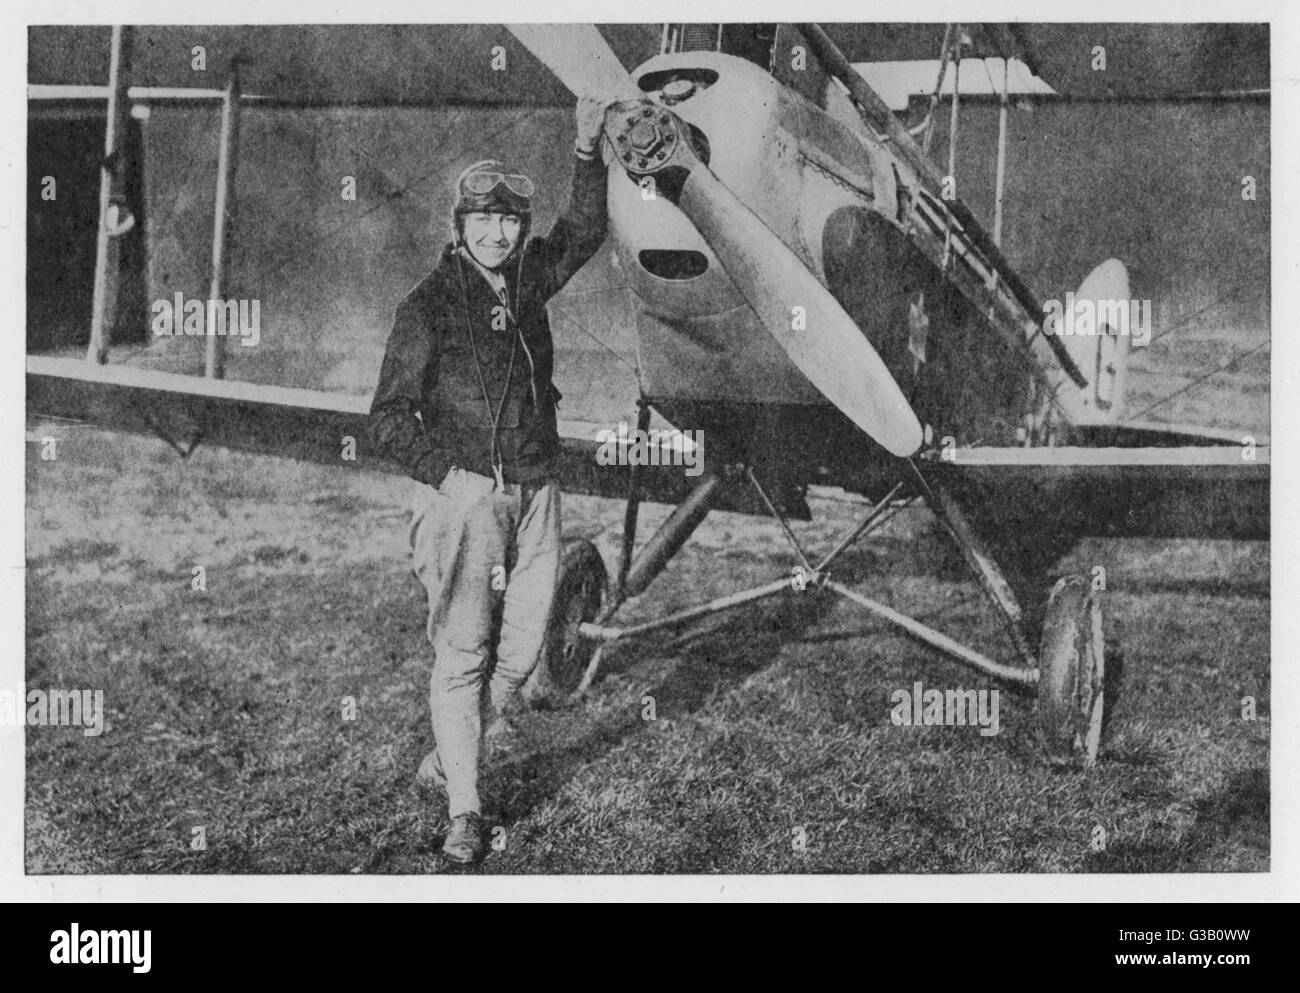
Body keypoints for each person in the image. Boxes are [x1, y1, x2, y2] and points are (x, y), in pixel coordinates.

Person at [368, 97, 609, 865]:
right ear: (459, 227)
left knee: (524, 649)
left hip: (537, 489)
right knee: (465, 652)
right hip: (467, 503)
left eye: (509, 221)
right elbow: (385, 419)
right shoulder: (428, 307)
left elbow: (584, 230)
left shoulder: (529, 282)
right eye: (483, 220)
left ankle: (449, 756)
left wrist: (585, 147)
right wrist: (452, 478)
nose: (498, 232)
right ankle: (467, 811)